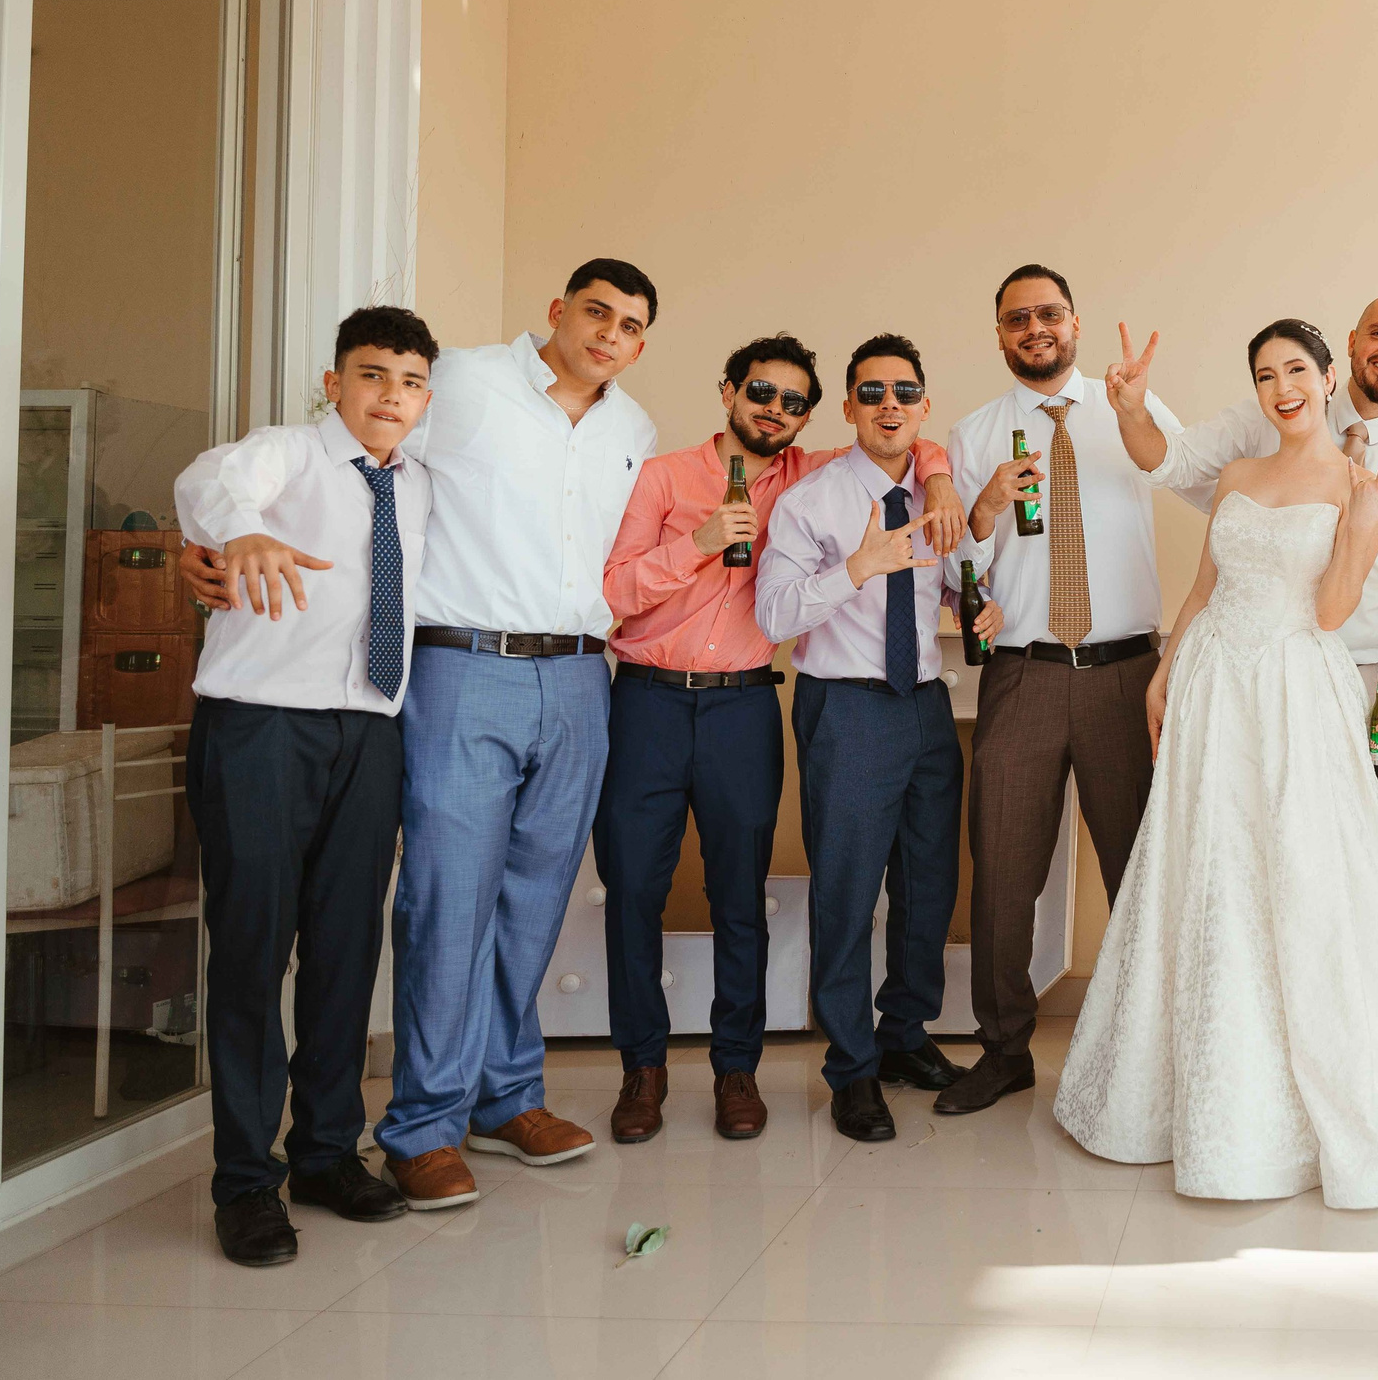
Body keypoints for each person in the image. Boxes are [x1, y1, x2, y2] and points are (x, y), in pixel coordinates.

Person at [1055, 320, 1378, 1206]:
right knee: (1210, 865)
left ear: (1328, 378)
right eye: (1264, 374)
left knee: (1299, 867)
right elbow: (1204, 587)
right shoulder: (1238, 475)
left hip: (1297, 686)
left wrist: (1364, 522)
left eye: (1296, 370)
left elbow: (1329, 613)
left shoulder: (1360, 485)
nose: (1281, 387)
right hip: (1214, 681)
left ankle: (1309, 1098)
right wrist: (1167, 669)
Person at [597, 334, 964, 1147]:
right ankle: (643, 1066)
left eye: (793, 402)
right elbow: (614, 590)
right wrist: (696, 544)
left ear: (809, 416)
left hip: (744, 704)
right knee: (635, 890)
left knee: (744, 896)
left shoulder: (808, 469)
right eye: (761, 392)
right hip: (652, 698)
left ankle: (739, 1067)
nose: (775, 410)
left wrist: (939, 472)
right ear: (729, 390)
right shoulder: (667, 478)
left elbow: (904, 443)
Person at [374, 261, 658, 1207]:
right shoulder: (461, 379)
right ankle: (423, 1124)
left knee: (536, 898)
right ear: (557, 311)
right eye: (596, 312)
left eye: (630, 325)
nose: (609, 333)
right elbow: (364, 451)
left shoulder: (632, 428)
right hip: (465, 664)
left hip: (579, 674)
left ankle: (506, 1097)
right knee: (448, 896)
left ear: (640, 345)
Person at [174, 307, 436, 1265]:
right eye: (372, 375)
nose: (390, 396)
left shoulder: (419, 483)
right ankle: (246, 1182)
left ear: (425, 398)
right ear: (334, 383)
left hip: (370, 729)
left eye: (410, 382)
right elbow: (209, 481)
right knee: (253, 948)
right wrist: (238, 536)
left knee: (345, 947)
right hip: (261, 725)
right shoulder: (285, 454)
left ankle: (326, 1152)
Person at [939, 264, 1181, 1116]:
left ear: (1075, 323)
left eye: (1049, 313)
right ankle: (1003, 1049)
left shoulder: (1131, 412)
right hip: (1025, 674)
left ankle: (1152, 1051)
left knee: (1141, 870)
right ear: (1000, 335)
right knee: (1003, 872)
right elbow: (954, 565)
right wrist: (982, 514)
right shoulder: (972, 435)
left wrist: (1139, 411)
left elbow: (1198, 480)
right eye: (1018, 318)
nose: (1035, 328)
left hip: (1128, 677)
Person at [757, 335, 1001, 1143]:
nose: (887, 404)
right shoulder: (813, 501)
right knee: (848, 889)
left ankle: (904, 1033)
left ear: (924, 406)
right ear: (849, 407)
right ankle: (852, 1066)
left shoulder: (939, 493)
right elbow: (774, 615)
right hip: (848, 707)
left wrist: (980, 605)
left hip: (926, 705)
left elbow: (958, 584)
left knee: (930, 882)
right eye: (871, 392)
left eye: (903, 391)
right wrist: (857, 567)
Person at [1100, 292, 1378, 763]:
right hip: (1234, 673)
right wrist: (1133, 412)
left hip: (1357, 675)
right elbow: (1174, 463)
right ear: (1351, 343)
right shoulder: (1268, 416)